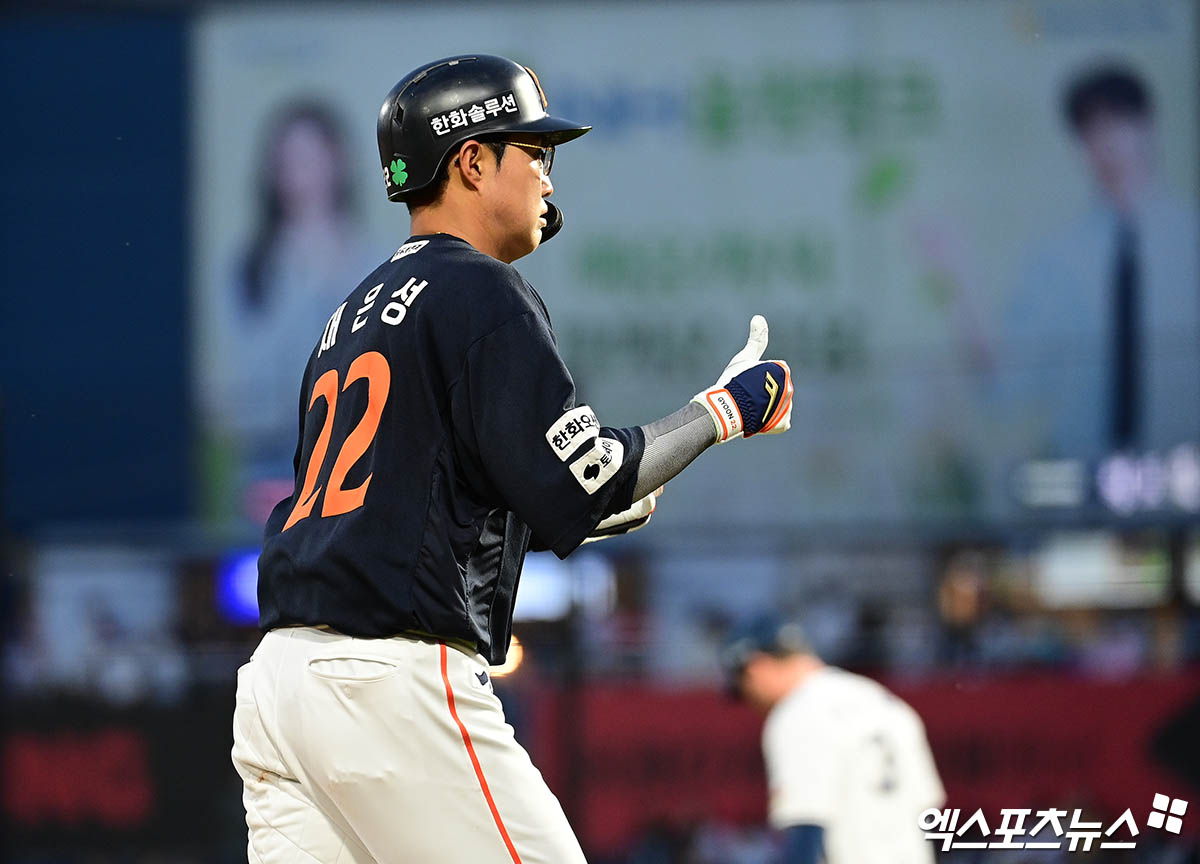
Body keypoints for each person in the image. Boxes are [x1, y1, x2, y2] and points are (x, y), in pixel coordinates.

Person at [231, 54, 794, 863]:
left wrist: (606, 497)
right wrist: (725, 411)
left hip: (279, 684)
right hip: (387, 681)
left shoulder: (348, 315)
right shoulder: (479, 289)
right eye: (533, 151)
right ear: (471, 161)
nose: (547, 176)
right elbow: (590, 480)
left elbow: (438, 496)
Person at [1005, 63, 1200, 464]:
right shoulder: (1056, 256)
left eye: (1117, 123)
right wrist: (959, 281)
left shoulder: (1190, 237)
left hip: (1183, 462)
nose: (1106, 143)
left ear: (1147, 127)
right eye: (1090, 131)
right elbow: (1011, 384)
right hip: (1084, 467)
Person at [204, 100, 377, 519]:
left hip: (358, 464)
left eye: (313, 158)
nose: (303, 175)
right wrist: (301, 281)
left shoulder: (376, 263)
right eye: (290, 162)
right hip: (269, 466)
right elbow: (237, 387)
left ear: (339, 162)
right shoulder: (251, 268)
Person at [720, 615, 944, 864]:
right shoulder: (887, 703)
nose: (750, 702)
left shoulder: (796, 714)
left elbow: (805, 827)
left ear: (756, 667)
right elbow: (929, 817)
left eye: (744, 688)